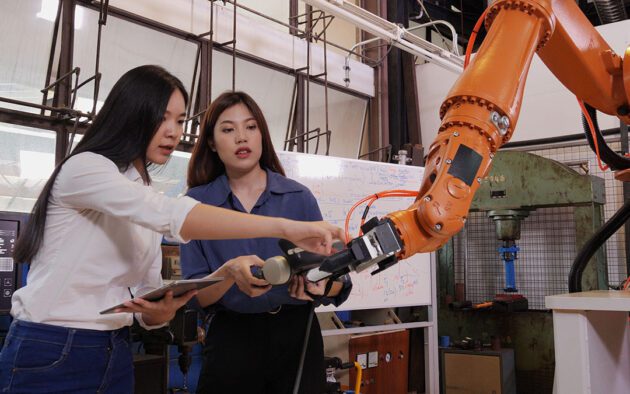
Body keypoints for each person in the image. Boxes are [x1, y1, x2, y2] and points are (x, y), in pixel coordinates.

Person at [0, 66, 342, 394]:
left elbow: (150, 296)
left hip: (114, 350)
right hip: (53, 345)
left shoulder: (143, 190)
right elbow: (172, 215)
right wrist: (286, 227)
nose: (174, 131)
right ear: (131, 114)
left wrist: (160, 313)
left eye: (180, 120)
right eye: (163, 117)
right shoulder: (87, 169)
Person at [180, 91, 352, 394]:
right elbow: (195, 296)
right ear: (211, 142)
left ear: (262, 134)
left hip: (297, 336)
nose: (241, 138)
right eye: (228, 129)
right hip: (231, 339)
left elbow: (339, 282)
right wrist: (229, 272)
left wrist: (321, 285)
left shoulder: (298, 198)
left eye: (250, 127)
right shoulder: (196, 205)